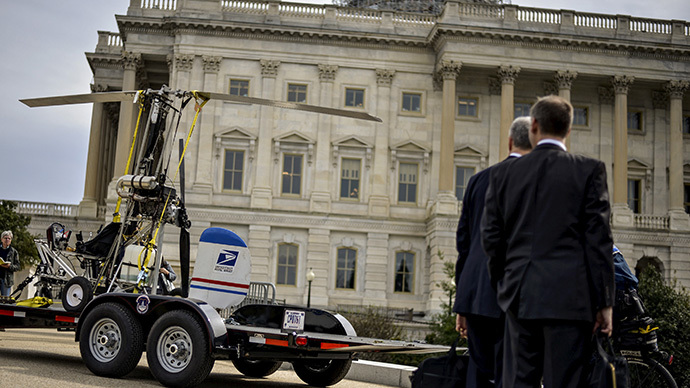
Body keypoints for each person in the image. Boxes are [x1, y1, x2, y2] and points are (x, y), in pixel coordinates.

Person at [481, 95, 615, 388]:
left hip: (520, 295)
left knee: (518, 382)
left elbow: (491, 237)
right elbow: (599, 241)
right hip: (571, 299)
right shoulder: (589, 170)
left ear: (534, 127)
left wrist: (504, 284)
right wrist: (604, 302)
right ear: (569, 130)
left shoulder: (503, 173)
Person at [454, 116, 533, 388]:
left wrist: (462, 304)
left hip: (478, 296)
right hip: (521, 298)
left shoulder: (477, 181)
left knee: (479, 374)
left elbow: (464, 245)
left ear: (510, 141)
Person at [0, 230, 21, 297]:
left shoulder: (14, 252)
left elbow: (18, 266)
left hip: (6, 280)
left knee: (5, 300)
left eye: (9, 238)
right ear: (1, 239)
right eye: (5, 238)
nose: (7, 240)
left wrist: (9, 266)